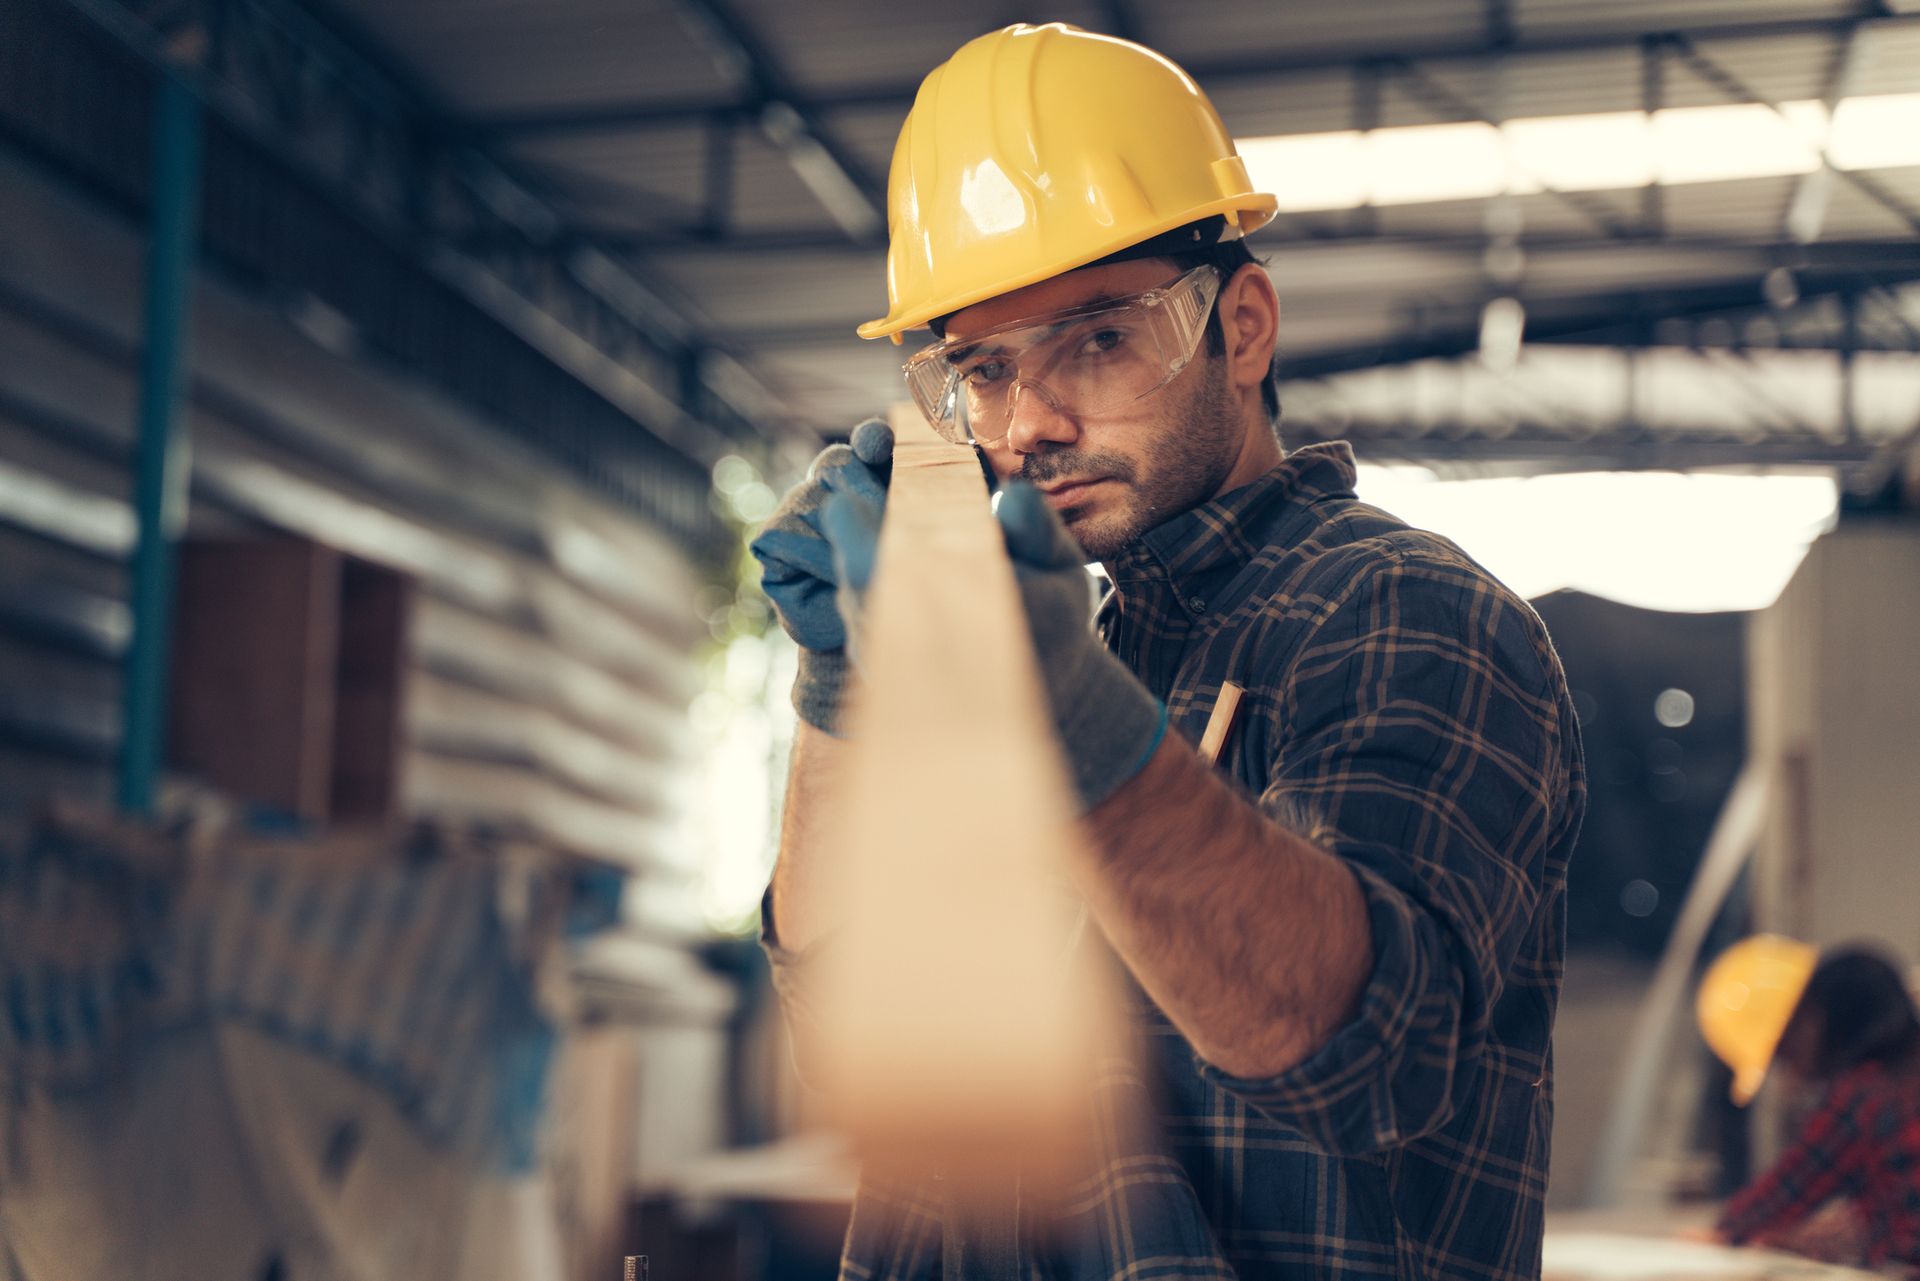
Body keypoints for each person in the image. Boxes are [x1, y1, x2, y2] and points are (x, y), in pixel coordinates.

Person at [749, 22, 1586, 1281]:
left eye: (1097, 338)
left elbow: (1365, 1051)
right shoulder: (1064, 653)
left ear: (1242, 328)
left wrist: (1068, 721)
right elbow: (842, 1021)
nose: (1028, 424)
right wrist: (839, 696)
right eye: (980, 370)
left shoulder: (1405, 613)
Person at [1700, 944, 1920, 1270]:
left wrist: (1723, 1232)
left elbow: (1775, 1198)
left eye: (1784, 1049)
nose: (1790, 1069)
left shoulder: (1865, 1094)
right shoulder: (1903, 1079)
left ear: (1813, 1020)